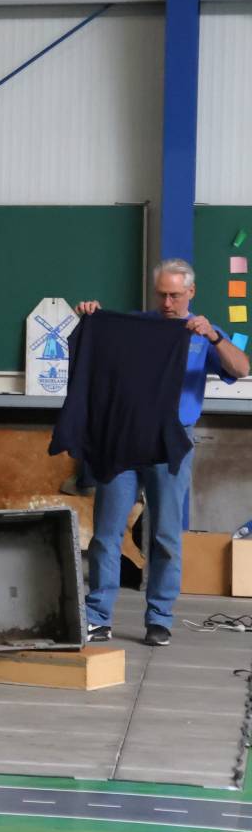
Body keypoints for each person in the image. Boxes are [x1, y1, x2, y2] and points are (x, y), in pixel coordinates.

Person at [76, 259, 250, 646]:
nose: (168, 302)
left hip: (172, 442)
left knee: (166, 535)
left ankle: (159, 618)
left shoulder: (205, 333)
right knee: (106, 533)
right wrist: (91, 316)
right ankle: (97, 616)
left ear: (191, 292)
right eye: (162, 294)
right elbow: (100, 343)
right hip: (123, 439)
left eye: (175, 295)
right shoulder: (139, 329)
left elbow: (241, 369)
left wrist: (215, 338)